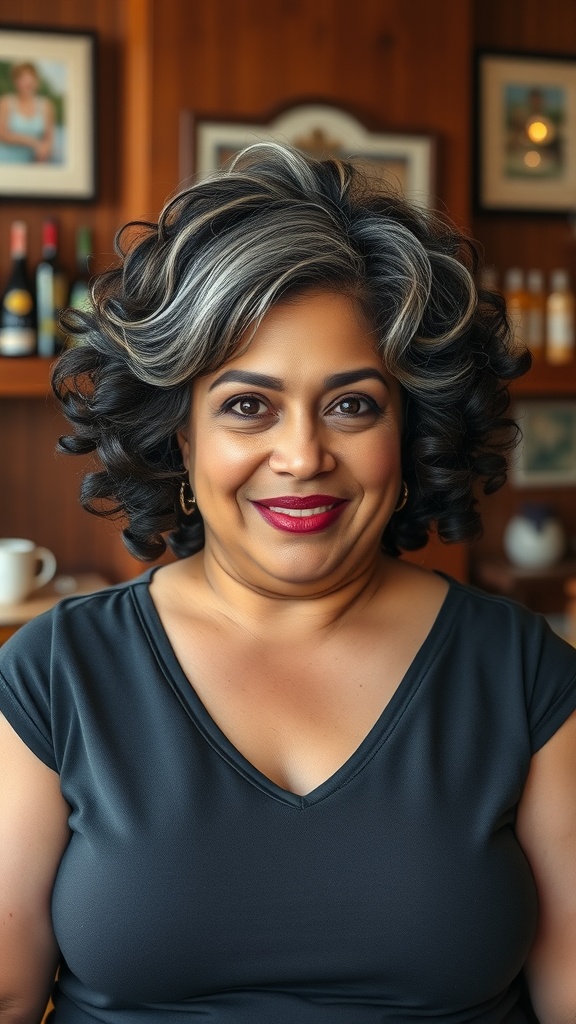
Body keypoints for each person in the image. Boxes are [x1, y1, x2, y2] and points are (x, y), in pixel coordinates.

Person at [1, 143, 575, 1024]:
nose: (303, 456)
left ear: (409, 430)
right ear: (183, 439)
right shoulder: (54, 671)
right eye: (247, 405)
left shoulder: (524, 670)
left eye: (352, 404)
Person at [0, 61, 55, 164]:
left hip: (31, 165)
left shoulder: (46, 106)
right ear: (15, 82)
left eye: (30, 77)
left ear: (37, 81)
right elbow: (2, 134)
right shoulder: (5, 102)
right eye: (22, 78)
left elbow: (49, 140)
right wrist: (33, 143)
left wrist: (43, 156)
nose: (27, 82)